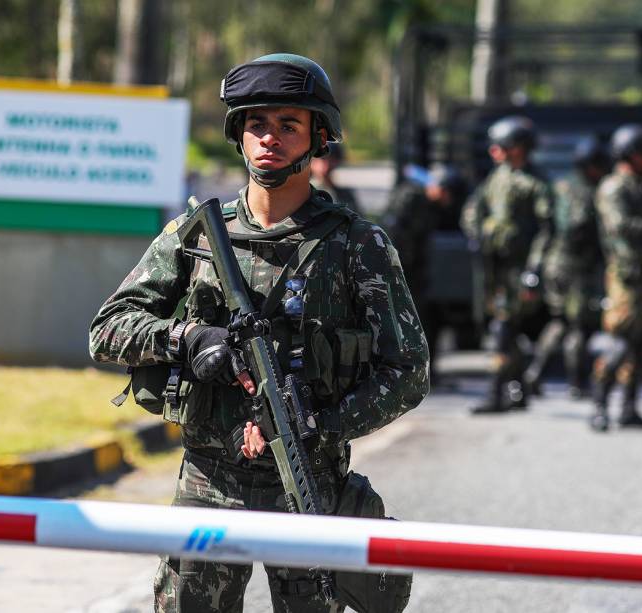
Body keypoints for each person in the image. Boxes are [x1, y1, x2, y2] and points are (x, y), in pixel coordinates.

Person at [89, 53, 427, 613]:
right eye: (256, 124)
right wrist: (186, 339)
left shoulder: (356, 245)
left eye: (288, 125)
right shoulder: (196, 236)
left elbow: (407, 371)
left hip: (307, 485)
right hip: (207, 481)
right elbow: (107, 329)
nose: (270, 137)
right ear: (238, 135)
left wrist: (318, 425)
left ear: (318, 136)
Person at [460, 116, 554, 413]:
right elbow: (473, 208)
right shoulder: (496, 178)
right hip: (494, 266)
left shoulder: (535, 183)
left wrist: (534, 269)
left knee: (503, 329)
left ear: (518, 148)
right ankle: (518, 387)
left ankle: (496, 393)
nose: (495, 151)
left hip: (518, 268)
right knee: (504, 328)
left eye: (501, 146)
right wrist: (476, 231)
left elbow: (546, 229)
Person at [590, 124, 642, 432]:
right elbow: (620, 224)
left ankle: (629, 408)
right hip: (627, 280)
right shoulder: (615, 188)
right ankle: (599, 405)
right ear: (629, 155)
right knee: (619, 343)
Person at [523, 137, 610, 398]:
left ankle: (534, 375)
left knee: (560, 321)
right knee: (579, 326)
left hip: (555, 264)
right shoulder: (584, 192)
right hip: (574, 268)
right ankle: (578, 383)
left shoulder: (563, 185)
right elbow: (577, 227)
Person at [383, 163, 465, 382]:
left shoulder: (432, 204)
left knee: (429, 321)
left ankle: (425, 371)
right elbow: (393, 235)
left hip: (418, 274)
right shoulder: (409, 198)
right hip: (401, 272)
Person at [310, 142, 363, 215]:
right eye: (322, 159)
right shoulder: (303, 194)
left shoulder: (345, 194)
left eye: (332, 159)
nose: (327, 164)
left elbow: (357, 219)